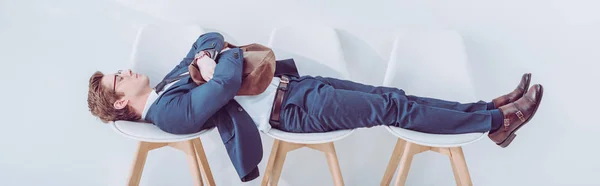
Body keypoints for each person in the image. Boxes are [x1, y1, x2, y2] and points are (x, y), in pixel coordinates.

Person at [87, 32, 543, 182]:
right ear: (122, 101)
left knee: (394, 99)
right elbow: (224, 80)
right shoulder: (168, 114)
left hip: (297, 86)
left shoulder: (169, 85)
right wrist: (216, 65)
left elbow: (205, 39)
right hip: (297, 111)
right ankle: (496, 121)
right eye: (118, 78)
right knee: (393, 109)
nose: (125, 70)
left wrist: (206, 61)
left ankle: (486, 109)